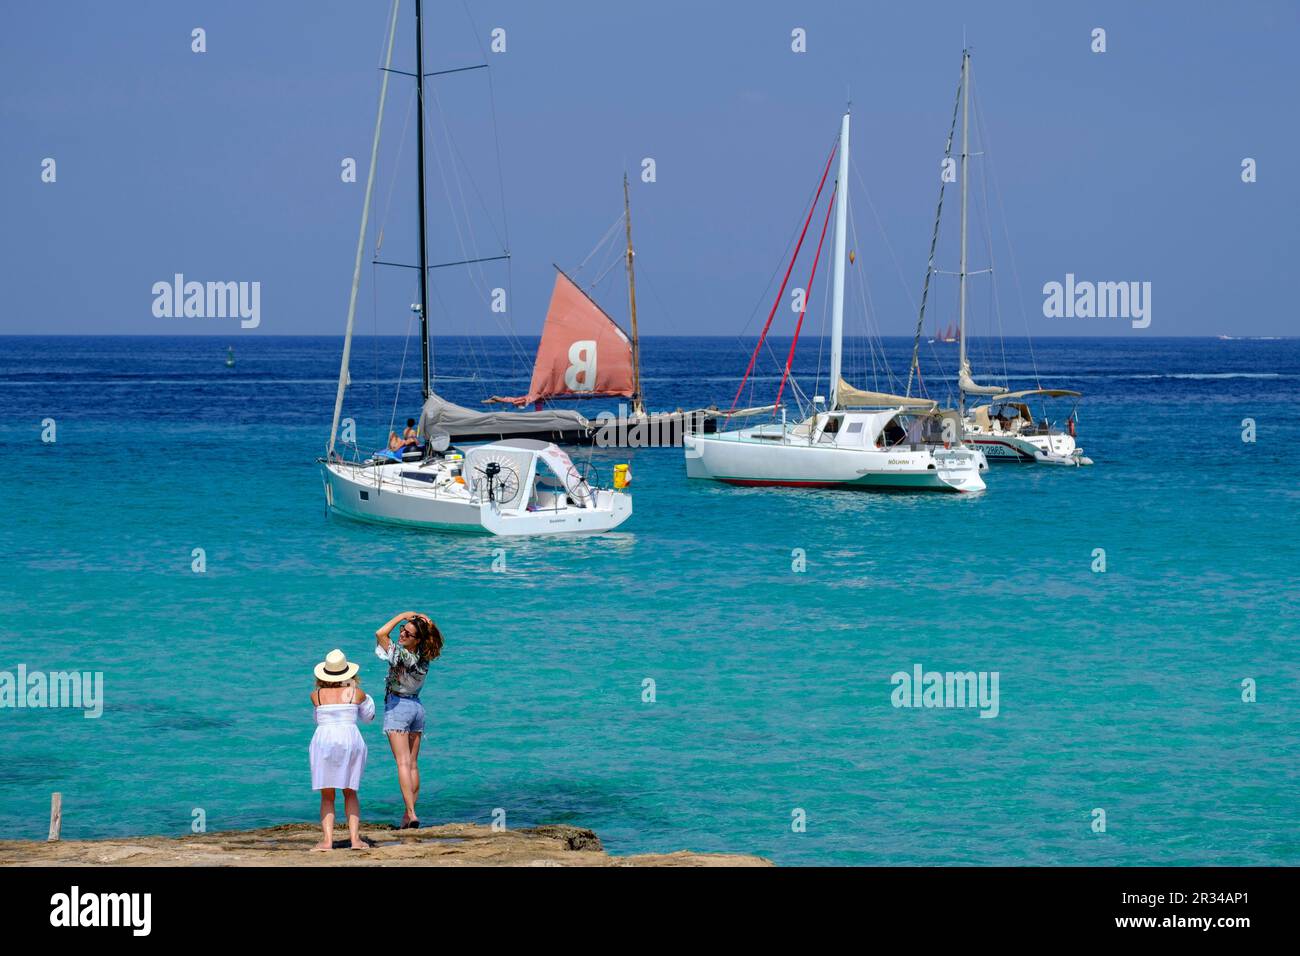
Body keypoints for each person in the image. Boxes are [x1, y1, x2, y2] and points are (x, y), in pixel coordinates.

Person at [374, 611, 444, 829]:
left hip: (398, 706)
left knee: (403, 763)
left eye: (407, 633)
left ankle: (411, 813)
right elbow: (430, 629)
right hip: (416, 707)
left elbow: (380, 633)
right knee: (413, 764)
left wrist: (402, 615)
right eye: (402, 630)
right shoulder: (424, 656)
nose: (402, 633)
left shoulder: (401, 655)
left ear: (417, 639)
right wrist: (421, 619)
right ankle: (408, 814)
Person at [309, 649, 375, 851]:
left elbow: (317, 718)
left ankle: (327, 841)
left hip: (324, 740)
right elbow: (368, 717)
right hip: (349, 740)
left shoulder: (316, 695)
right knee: (350, 792)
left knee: (327, 795)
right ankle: (355, 840)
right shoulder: (357, 693)